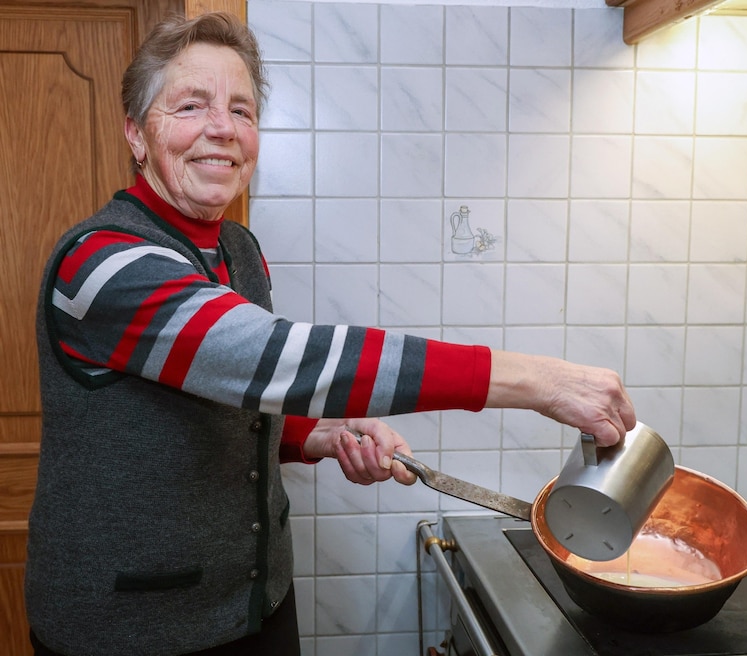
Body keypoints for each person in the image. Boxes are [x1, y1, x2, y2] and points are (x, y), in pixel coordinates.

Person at [25, 11, 636, 656]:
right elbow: (271, 360)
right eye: (190, 106)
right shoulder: (99, 264)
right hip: (131, 630)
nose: (222, 130)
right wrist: (539, 382)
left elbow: (235, 395)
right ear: (136, 133)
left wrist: (320, 434)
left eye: (242, 110)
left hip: (254, 607)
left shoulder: (238, 250)